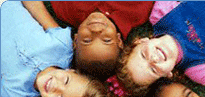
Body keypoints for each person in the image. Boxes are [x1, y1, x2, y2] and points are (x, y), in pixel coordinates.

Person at [1, 1, 110, 97]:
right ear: (72, 71)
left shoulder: (15, 95)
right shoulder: (62, 47)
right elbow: (37, 8)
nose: (56, 86)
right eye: (66, 80)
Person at [117, 1, 205, 97]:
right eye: (153, 70)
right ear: (167, 75)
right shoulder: (196, 69)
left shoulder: (160, 14)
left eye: (143, 55)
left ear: (141, 41)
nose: (154, 59)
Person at [26, 1, 154, 80]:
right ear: (119, 40)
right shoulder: (137, 11)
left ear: (75, 39)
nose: (96, 30)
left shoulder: (65, 9)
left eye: (87, 40)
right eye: (107, 40)